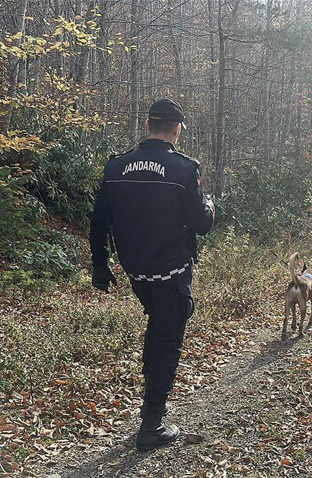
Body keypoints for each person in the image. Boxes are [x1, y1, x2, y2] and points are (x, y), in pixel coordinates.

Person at [88, 98, 215, 452]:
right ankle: (152, 425)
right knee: (167, 340)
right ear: (176, 130)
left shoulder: (116, 166)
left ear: (147, 126)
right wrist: (210, 206)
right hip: (172, 272)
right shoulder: (184, 169)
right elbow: (202, 224)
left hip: (137, 274)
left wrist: (100, 264)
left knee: (157, 327)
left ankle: (150, 407)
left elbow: (99, 221)